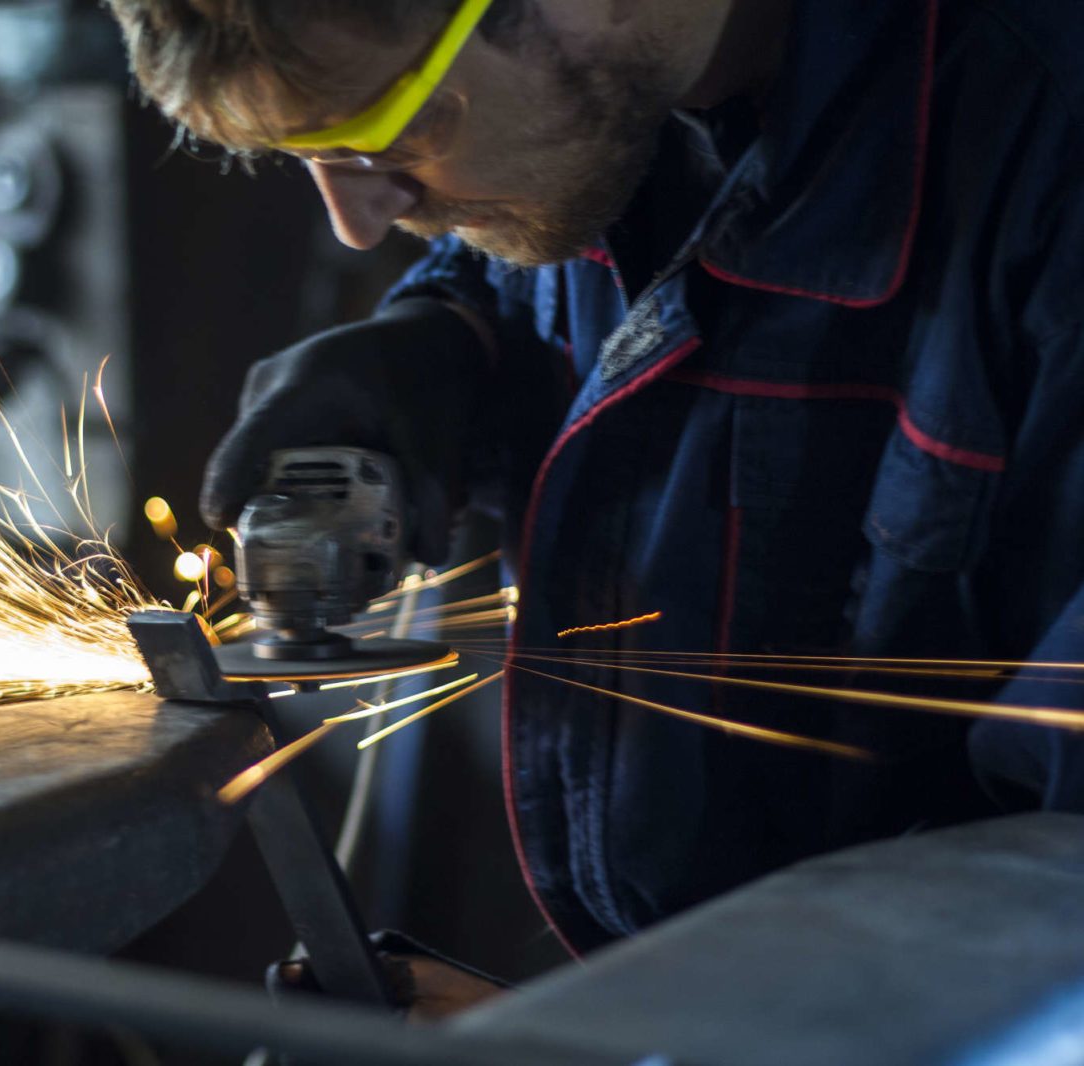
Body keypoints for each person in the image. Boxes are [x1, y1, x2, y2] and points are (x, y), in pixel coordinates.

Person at [105, 0, 1084, 999]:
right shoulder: (628, 95)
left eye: (382, 135)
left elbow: (1052, 928)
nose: (357, 224)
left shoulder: (1043, 145)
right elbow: (582, 245)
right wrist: (453, 334)